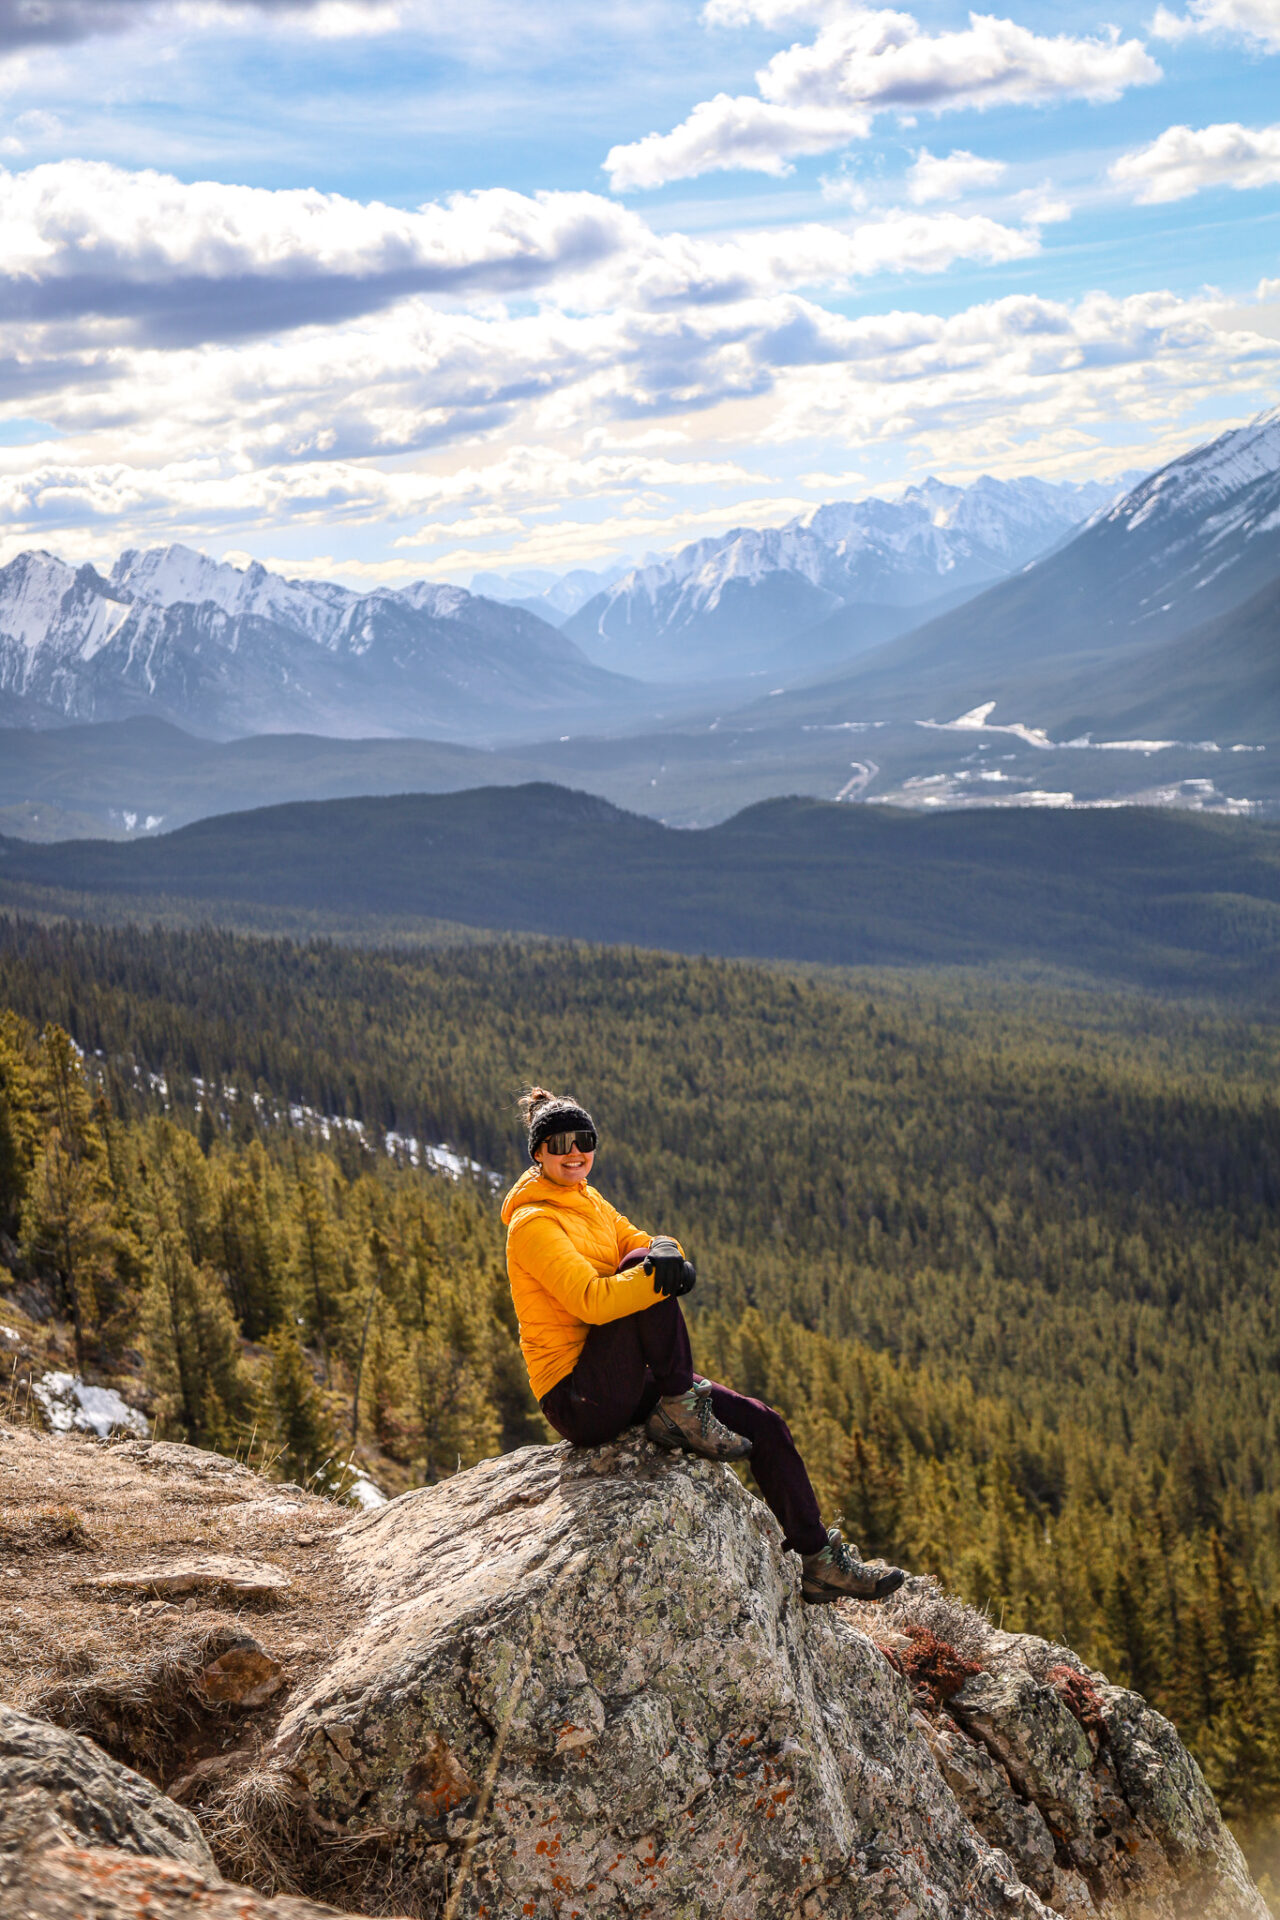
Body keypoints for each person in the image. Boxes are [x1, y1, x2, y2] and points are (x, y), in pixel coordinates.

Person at [501, 1086, 906, 1605]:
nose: (573, 1151)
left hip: (628, 1380)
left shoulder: (587, 1199)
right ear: (537, 1153)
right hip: (579, 1398)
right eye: (558, 1144)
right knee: (639, 1276)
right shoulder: (533, 1223)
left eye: (584, 1139)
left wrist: (668, 1253)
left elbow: (639, 1240)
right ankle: (680, 1407)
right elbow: (591, 1302)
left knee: (765, 1422)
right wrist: (658, 1274)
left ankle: (821, 1561)